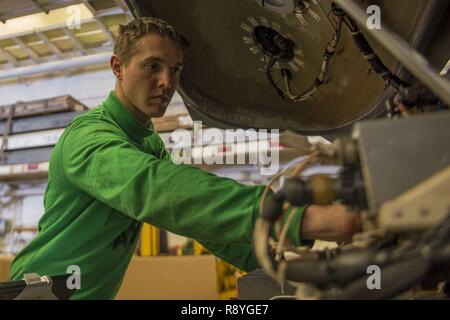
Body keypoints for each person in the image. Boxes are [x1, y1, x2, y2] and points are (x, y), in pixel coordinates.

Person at [9, 17, 361, 299]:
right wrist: (294, 217)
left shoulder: (147, 141)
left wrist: (275, 258)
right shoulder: (88, 137)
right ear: (117, 67)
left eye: (175, 70)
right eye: (152, 66)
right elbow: (159, 191)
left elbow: (196, 221)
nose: (167, 81)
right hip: (40, 293)